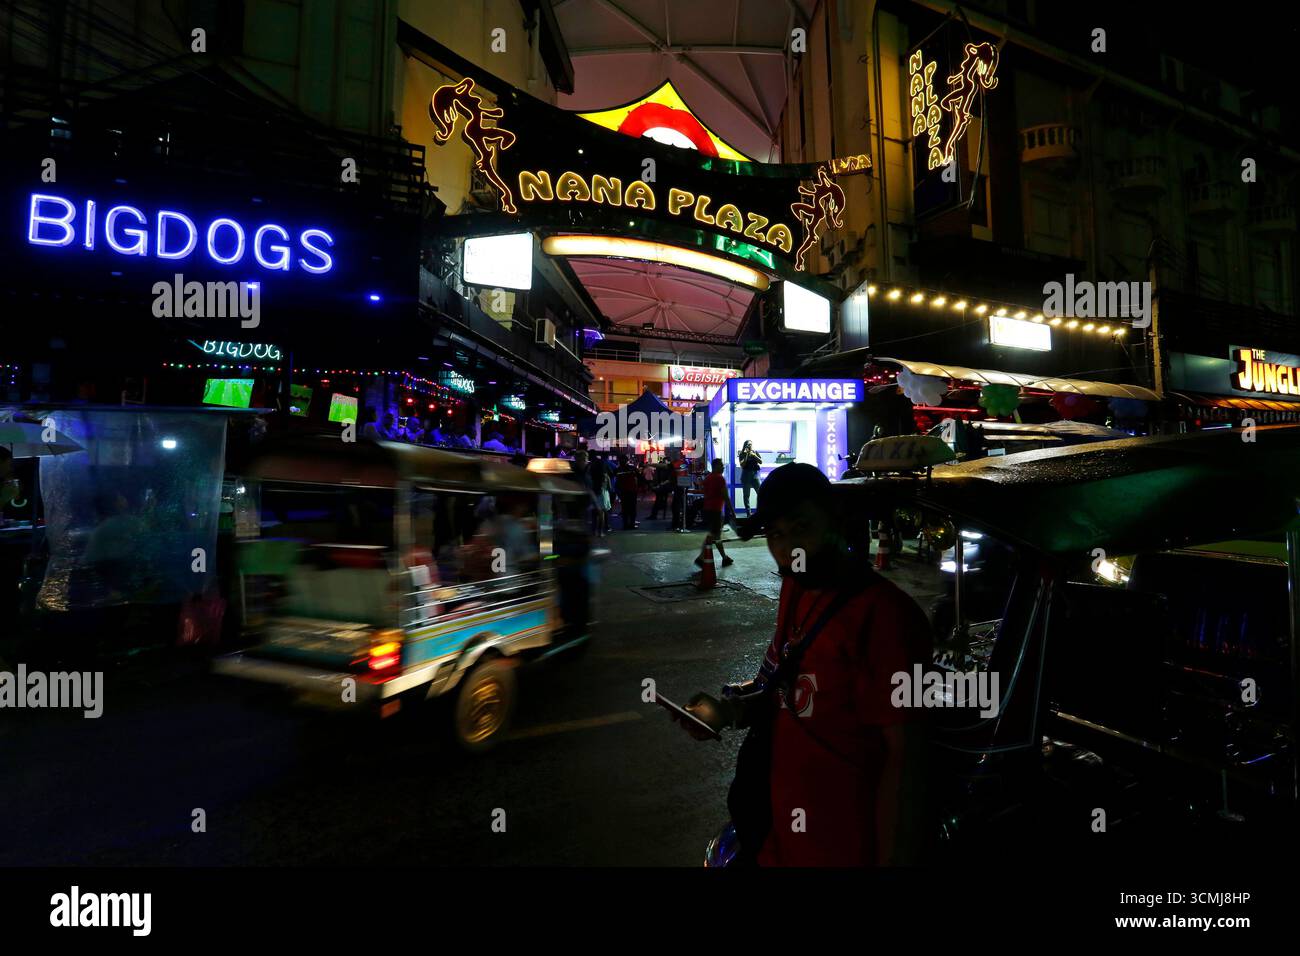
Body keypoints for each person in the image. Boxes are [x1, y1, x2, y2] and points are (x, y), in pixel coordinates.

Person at [673, 463, 933, 866]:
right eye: (776, 534)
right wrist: (727, 709)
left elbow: (906, 763)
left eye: (801, 528)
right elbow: (781, 686)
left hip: (842, 845)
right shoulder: (797, 588)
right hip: (779, 835)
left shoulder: (887, 617)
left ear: (836, 520)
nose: (787, 549)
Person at [694, 458, 733, 570]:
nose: (723, 467)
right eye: (721, 465)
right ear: (716, 466)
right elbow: (725, 496)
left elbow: (703, 491)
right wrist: (732, 511)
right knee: (713, 535)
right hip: (716, 510)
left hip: (707, 510)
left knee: (715, 535)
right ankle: (701, 558)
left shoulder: (708, 478)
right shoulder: (720, 479)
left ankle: (724, 558)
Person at [738, 440, 763, 516]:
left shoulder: (755, 452)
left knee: (761, 493)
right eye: (748, 445)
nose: (750, 446)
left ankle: (760, 511)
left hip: (755, 476)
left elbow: (761, 461)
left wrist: (754, 455)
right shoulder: (742, 453)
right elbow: (742, 465)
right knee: (746, 495)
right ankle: (748, 512)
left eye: (751, 444)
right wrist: (746, 455)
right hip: (746, 476)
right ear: (745, 445)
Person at [615, 457, 640, 530]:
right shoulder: (632, 468)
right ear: (627, 461)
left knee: (624, 508)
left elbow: (615, 477)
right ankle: (632, 524)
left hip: (623, 491)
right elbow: (639, 476)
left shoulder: (618, 469)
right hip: (632, 490)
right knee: (632, 508)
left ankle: (625, 524)